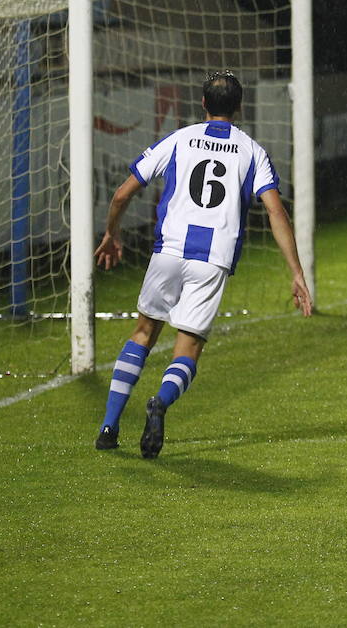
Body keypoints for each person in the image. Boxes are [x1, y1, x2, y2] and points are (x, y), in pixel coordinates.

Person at [92, 71, 312, 458]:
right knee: (188, 347)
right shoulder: (251, 151)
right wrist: (296, 271)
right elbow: (276, 211)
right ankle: (159, 402)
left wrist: (112, 233)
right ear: (240, 107)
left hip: (169, 252)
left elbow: (122, 193)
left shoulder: (180, 138)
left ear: (204, 104)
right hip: (212, 261)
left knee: (144, 332)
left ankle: (109, 428)